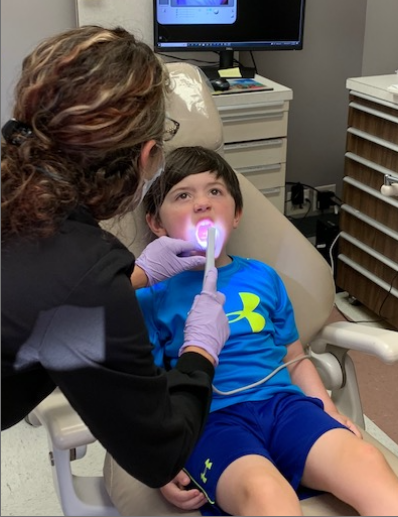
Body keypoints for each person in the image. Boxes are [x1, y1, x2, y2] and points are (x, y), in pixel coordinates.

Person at [1, 25, 230, 489]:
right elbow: (158, 455)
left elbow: (39, 315)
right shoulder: (83, 274)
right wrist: (200, 353)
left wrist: (135, 277)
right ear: (146, 156)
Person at [133, 145, 398, 516]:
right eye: (182, 195)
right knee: (266, 495)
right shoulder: (149, 296)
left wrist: (324, 407)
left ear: (237, 213)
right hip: (209, 422)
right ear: (157, 224)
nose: (202, 204)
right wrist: (159, 460)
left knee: (366, 460)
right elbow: (142, 389)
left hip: (284, 407)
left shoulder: (262, 278)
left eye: (215, 191)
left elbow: (294, 357)